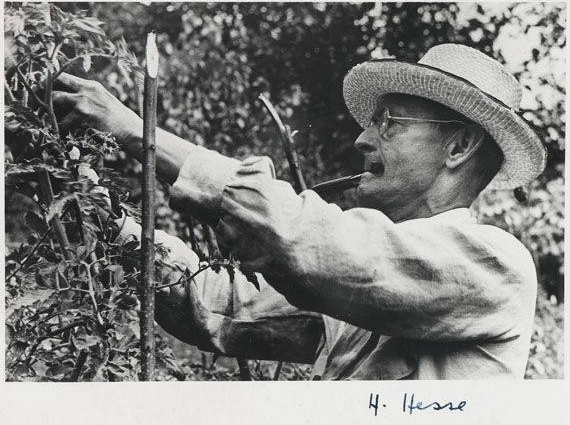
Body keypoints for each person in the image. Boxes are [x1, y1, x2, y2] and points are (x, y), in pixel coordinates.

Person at [53, 43, 546, 380]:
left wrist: (135, 130)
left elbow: (306, 241)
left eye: (388, 122)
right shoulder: (371, 277)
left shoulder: (496, 266)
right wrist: (86, 199)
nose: (362, 139)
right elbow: (219, 306)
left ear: (459, 146)